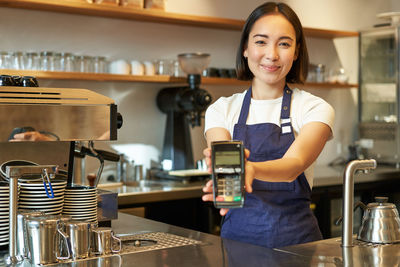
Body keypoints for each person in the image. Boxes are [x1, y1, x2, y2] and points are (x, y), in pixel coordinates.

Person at [202, 2, 334, 248]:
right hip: (237, 246)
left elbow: (293, 165)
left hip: (297, 247)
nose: (272, 55)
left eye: (284, 44)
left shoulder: (315, 108)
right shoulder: (221, 110)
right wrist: (222, 179)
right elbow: (227, 167)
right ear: (245, 48)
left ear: (296, 52)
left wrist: (251, 169)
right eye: (261, 42)